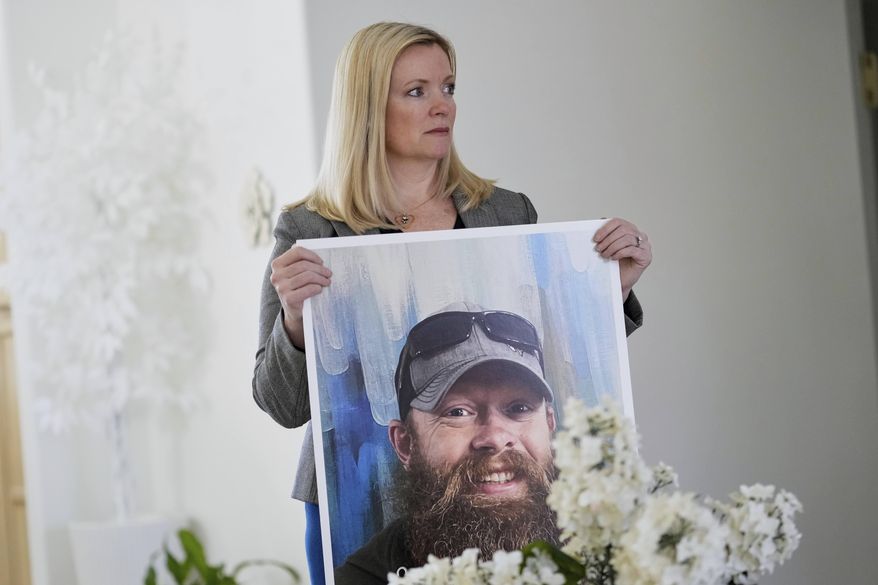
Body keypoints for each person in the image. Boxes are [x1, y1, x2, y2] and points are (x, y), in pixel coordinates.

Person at [252, 21, 653, 585]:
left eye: (449, 87)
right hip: (350, 516)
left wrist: (614, 291)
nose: (442, 106)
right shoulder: (312, 227)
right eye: (416, 91)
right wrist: (295, 322)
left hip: (509, 511)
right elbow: (282, 405)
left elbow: (552, 357)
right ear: (367, 108)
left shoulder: (506, 212)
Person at [335, 303, 560, 584]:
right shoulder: (360, 580)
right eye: (457, 412)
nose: (495, 438)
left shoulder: (611, 548)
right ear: (405, 445)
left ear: (549, 425)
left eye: (519, 408)